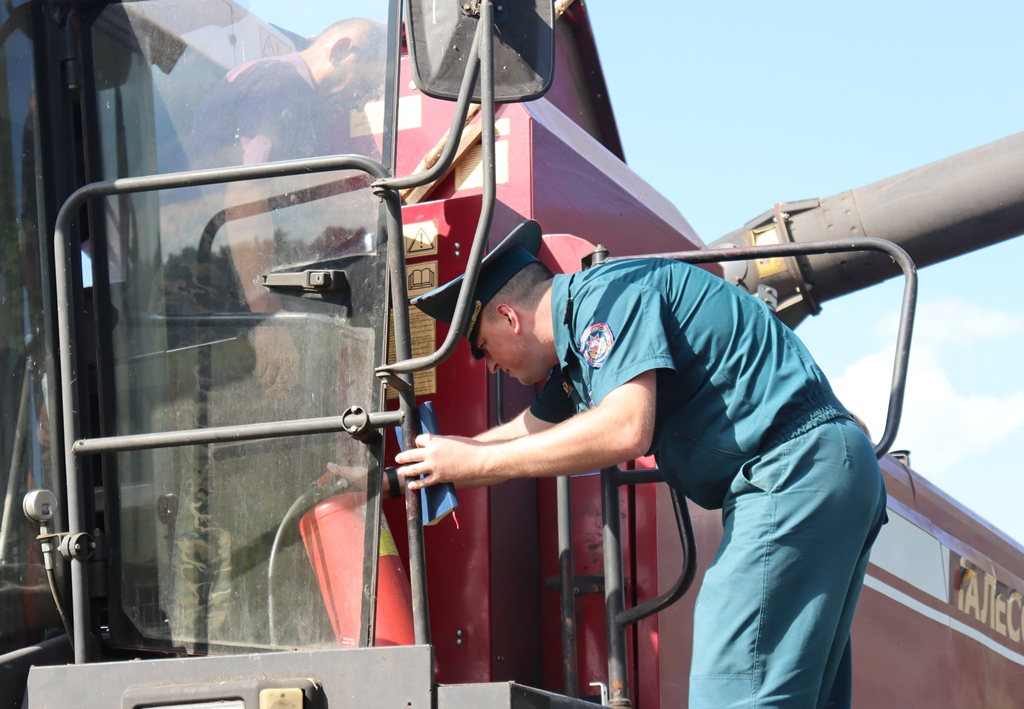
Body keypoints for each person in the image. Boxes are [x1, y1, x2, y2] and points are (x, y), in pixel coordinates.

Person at [394, 220, 888, 708]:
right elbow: (531, 432)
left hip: (790, 472)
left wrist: (472, 465)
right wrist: (447, 459)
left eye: (482, 349)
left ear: (508, 316)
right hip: (825, 470)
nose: (491, 366)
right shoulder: (581, 344)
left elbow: (626, 428)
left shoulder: (605, 298)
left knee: (734, 692)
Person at [191, 18, 387, 396]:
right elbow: (246, 197)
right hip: (217, 282)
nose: (363, 99)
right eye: (366, 84)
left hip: (222, 270)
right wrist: (266, 315)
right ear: (342, 49)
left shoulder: (294, 96)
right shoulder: (282, 85)